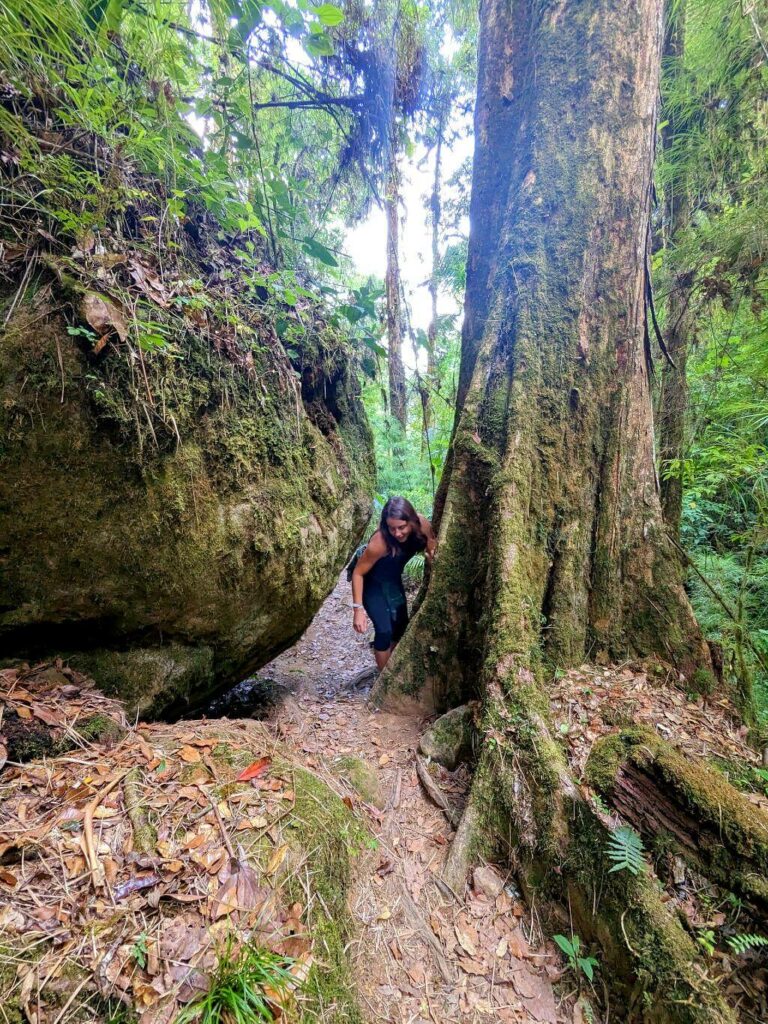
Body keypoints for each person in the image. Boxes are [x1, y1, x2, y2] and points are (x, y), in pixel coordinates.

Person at [350, 496, 436, 671]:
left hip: (392, 582)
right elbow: (358, 573)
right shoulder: (380, 542)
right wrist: (357, 610)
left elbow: (432, 547)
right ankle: (384, 680)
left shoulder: (423, 525)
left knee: (400, 626)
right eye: (392, 528)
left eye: (402, 527)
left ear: (411, 521)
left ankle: (393, 668)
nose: (397, 533)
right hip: (371, 584)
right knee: (384, 630)